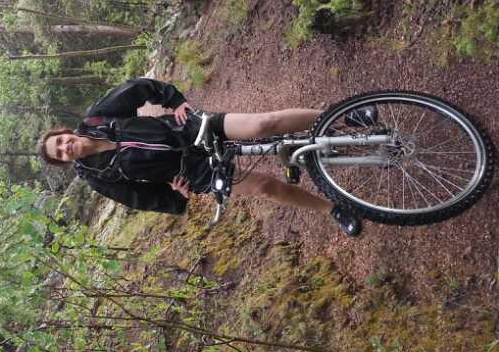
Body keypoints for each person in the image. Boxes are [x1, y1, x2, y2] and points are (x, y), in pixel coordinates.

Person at [38, 78, 363, 236]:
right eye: (61, 153)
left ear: (65, 133)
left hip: (187, 130)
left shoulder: (97, 118)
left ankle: (347, 116)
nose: (66, 147)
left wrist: (174, 100)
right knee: (263, 187)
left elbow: (136, 88)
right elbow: (137, 196)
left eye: (62, 141)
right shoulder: (97, 176)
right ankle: (333, 208)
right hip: (192, 170)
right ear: (65, 162)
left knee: (265, 124)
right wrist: (175, 197)